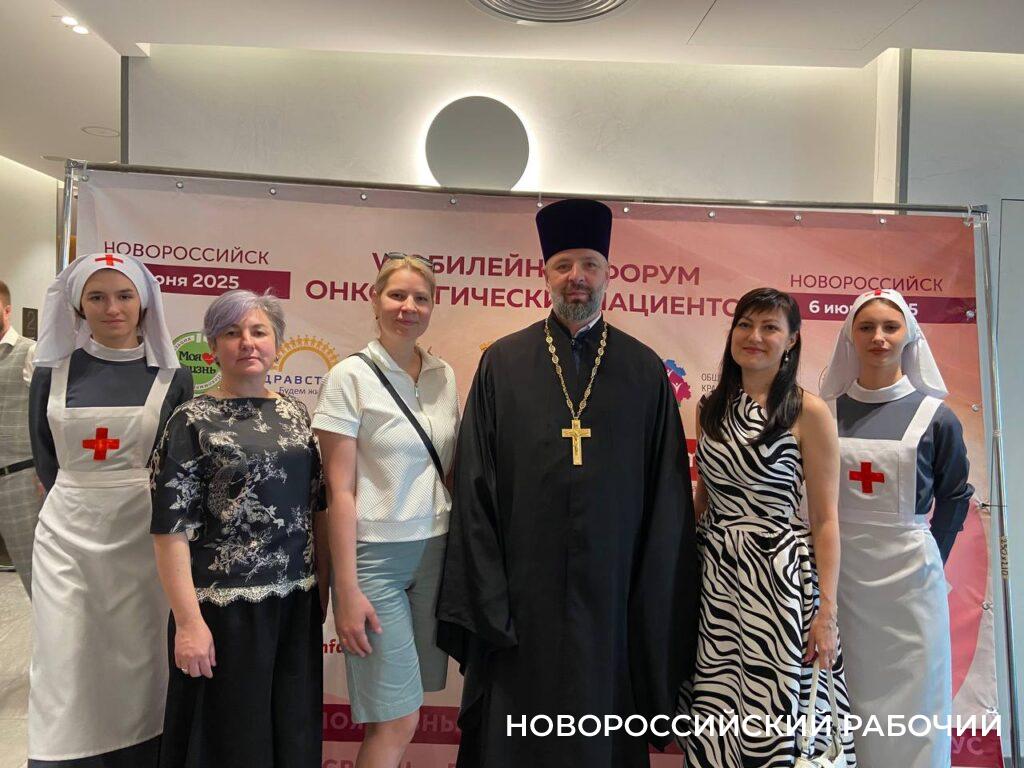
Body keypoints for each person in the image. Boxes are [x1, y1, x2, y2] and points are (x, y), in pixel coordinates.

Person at [436, 198, 698, 768]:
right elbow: (476, 487)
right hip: (520, 596)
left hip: (613, 594)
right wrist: (489, 598)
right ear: (545, 274)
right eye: (563, 266)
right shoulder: (503, 364)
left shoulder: (644, 369)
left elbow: (667, 496)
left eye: (589, 265)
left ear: (607, 273)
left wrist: (649, 593)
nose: (576, 277)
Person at [27, 253, 193, 766]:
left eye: (124, 296)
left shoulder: (173, 377)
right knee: (64, 653)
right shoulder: (50, 373)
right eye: (97, 297)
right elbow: (46, 458)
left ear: (144, 303)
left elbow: (175, 463)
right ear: (79, 306)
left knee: (139, 656)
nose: (112, 308)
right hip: (67, 535)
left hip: (142, 536)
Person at [681, 287, 858, 768]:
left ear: (791, 340)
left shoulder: (808, 411)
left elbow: (825, 520)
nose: (754, 337)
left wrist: (826, 612)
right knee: (716, 702)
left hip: (778, 579)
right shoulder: (709, 406)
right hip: (715, 577)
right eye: (745, 324)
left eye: (769, 327)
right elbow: (703, 499)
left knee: (774, 703)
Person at [150, 289, 328, 768]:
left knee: (292, 735)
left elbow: (316, 508)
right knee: (231, 743)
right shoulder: (191, 421)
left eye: (258, 331)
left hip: (294, 605)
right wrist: (189, 624)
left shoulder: (295, 414)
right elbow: (169, 531)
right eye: (232, 333)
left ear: (276, 343)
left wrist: (324, 592)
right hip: (223, 610)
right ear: (213, 346)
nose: (247, 342)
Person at [313, 253, 460, 768]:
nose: (408, 307)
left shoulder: (444, 375)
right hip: (375, 560)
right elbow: (339, 493)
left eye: (421, 298)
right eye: (397, 295)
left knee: (408, 708)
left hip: (436, 552)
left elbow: (447, 471)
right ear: (374, 300)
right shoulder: (349, 377)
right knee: (395, 719)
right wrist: (346, 590)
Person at [820, 288, 972, 768]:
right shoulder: (823, 412)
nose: (879, 338)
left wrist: (931, 557)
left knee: (916, 694)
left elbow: (955, 496)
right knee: (844, 692)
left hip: (911, 584)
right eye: (866, 327)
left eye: (891, 327)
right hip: (842, 580)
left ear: (909, 336)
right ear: (850, 336)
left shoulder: (936, 416)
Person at [0, 279, 41, 596]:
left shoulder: (31, 352)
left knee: (35, 575)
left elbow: (47, 415)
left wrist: (46, 471)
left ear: (7, 310)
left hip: (18, 478)